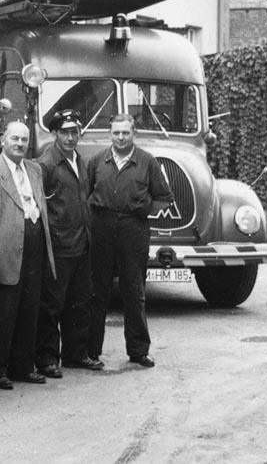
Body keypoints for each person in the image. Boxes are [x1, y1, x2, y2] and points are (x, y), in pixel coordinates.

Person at [0, 120, 56, 390]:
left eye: (24, 140)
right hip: (2, 251)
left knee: (29, 310)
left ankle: (23, 367)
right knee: (2, 314)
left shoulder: (35, 169)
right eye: (14, 138)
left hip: (34, 248)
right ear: (2, 140)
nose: (19, 144)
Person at [87, 114, 173, 368]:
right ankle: (91, 351)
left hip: (133, 229)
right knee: (97, 292)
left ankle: (138, 351)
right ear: (109, 134)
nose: (121, 138)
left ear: (134, 134)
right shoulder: (96, 162)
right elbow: (85, 195)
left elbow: (164, 198)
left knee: (134, 291)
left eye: (125, 133)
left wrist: (142, 210)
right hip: (102, 229)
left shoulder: (147, 162)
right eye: (116, 133)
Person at [35, 109, 104, 378]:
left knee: (79, 303)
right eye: (65, 132)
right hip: (59, 247)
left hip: (82, 245)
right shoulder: (47, 164)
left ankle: (76, 354)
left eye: (75, 132)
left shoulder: (81, 161)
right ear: (55, 134)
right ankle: (47, 359)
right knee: (52, 305)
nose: (70, 137)